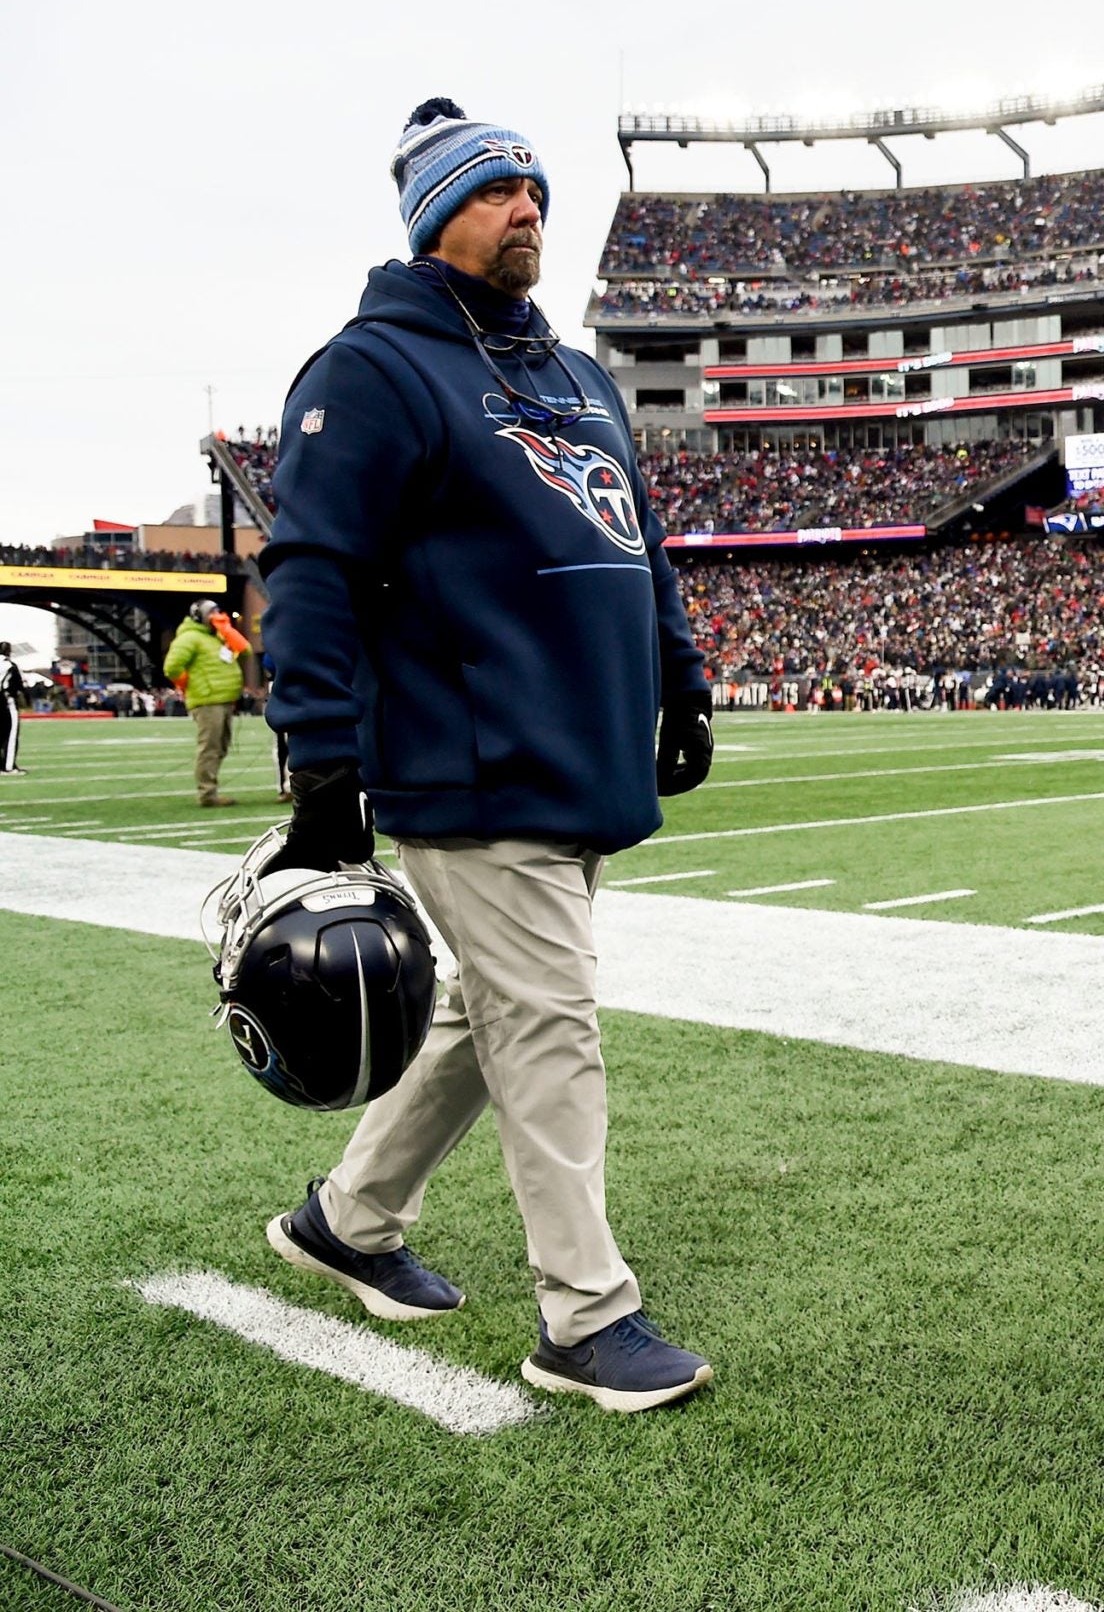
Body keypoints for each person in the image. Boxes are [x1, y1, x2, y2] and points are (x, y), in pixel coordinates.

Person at [258, 98, 719, 1413]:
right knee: (551, 1026)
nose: (528, 207)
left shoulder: (576, 375)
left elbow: (639, 543)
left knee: (488, 1014)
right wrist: (325, 770)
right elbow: (310, 572)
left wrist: (678, 680)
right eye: (496, 188)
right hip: (470, 763)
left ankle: (346, 1220)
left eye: (535, 187)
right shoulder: (375, 370)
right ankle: (585, 1316)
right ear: (433, 215)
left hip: (579, 755)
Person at [163, 599, 247, 806]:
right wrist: (190, 684)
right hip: (207, 700)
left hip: (224, 699)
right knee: (209, 748)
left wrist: (227, 629)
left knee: (220, 747)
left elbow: (245, 651)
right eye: (212, 612)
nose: (218, 615)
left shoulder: (218, 636)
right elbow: (171, 667)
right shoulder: (189, 638)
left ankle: (210, 790)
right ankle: (207, 793)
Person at [0, 641, 26, 775]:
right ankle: (8, 766)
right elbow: (18, 686)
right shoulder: (10, 665)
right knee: (10, 735)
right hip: (6, 702)